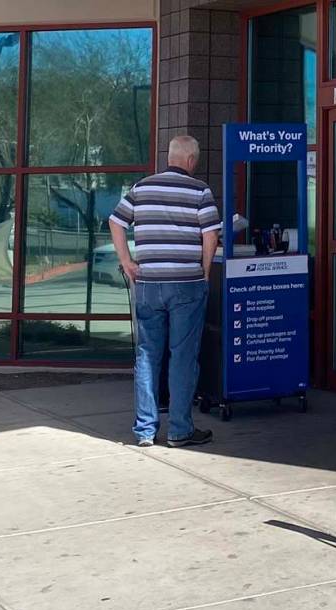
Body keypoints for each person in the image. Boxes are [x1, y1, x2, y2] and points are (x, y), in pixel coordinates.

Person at [109, 135, 221, 447]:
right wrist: (205, 273)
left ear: (169, 157)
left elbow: (115, 221)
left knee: (147, 355)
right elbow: (211, 235)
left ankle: (145, 431)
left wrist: (127, 261)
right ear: (191, 160)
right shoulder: (199, 190)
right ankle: (179, 431)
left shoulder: (141, 188)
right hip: (186, 284)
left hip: (147, 284)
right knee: (182, 356)